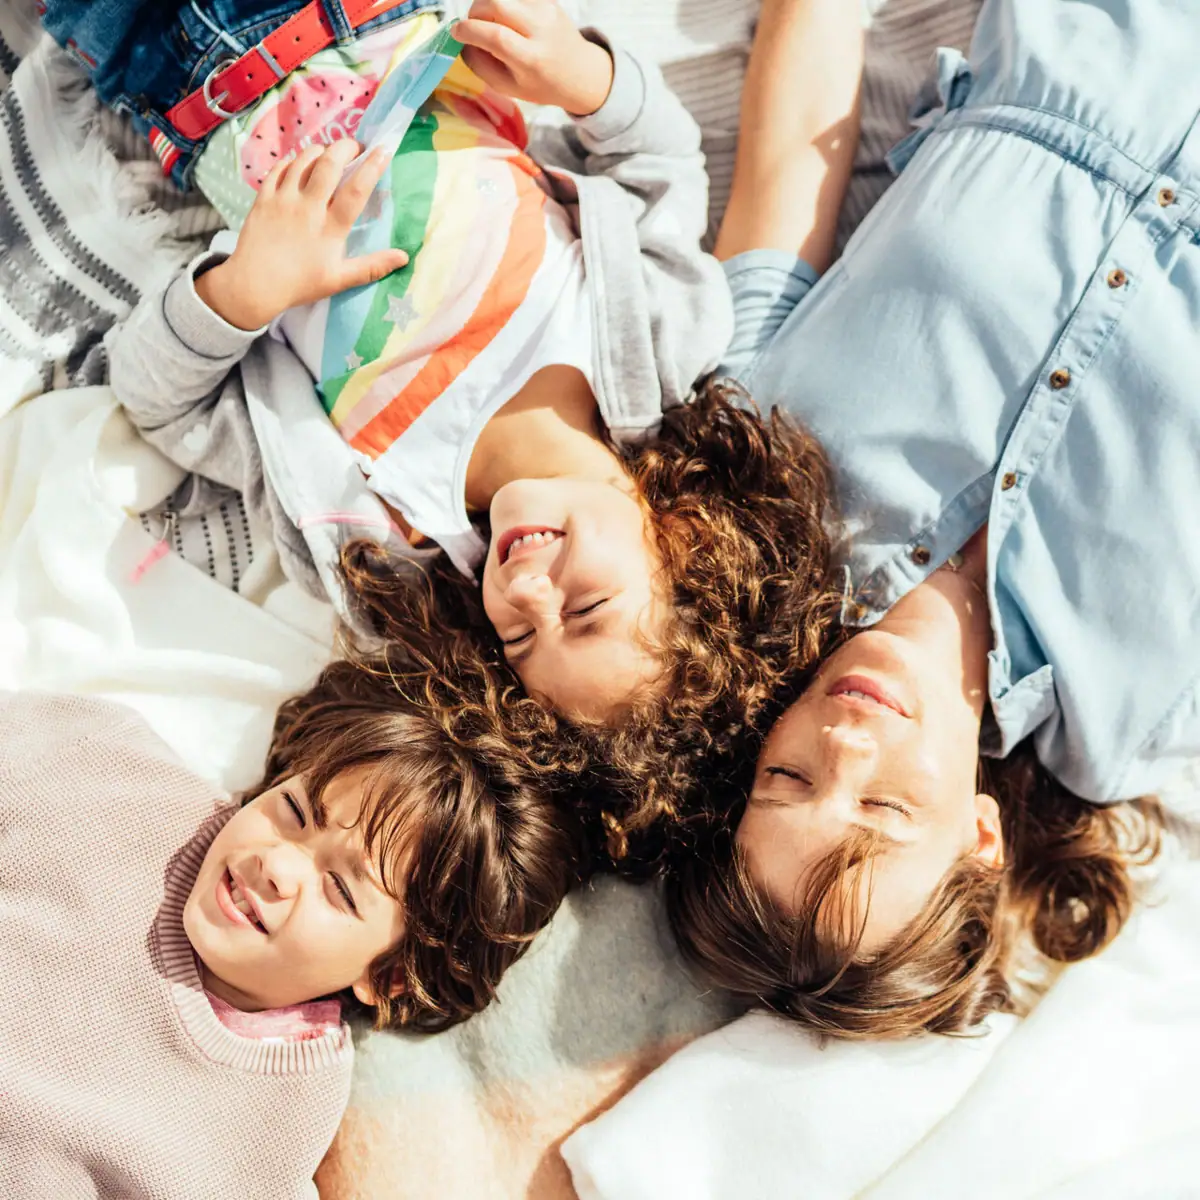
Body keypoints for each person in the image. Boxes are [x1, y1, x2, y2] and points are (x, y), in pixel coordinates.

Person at [41, 0, 826, 724]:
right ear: (686, 539)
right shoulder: (664, 340)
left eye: (520, 640)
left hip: (179, 80)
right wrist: (588, 79)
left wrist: (246, 289)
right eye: (585, 609)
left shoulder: (376, 531)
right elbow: (660, 162)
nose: (524, 592)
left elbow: (158, 399)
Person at [668, 0, 1192, 1037]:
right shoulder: (1152, 707)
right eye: (881, 812)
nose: (845, 741)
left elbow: (791, 152)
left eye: (789, 775)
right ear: (980, 842)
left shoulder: (759, 492)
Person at [0, 658, 578, 1195]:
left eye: (340, 889)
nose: (276, 865)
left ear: (391, 976)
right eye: (296, 812)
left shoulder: (278, 1122)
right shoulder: (106, 772)